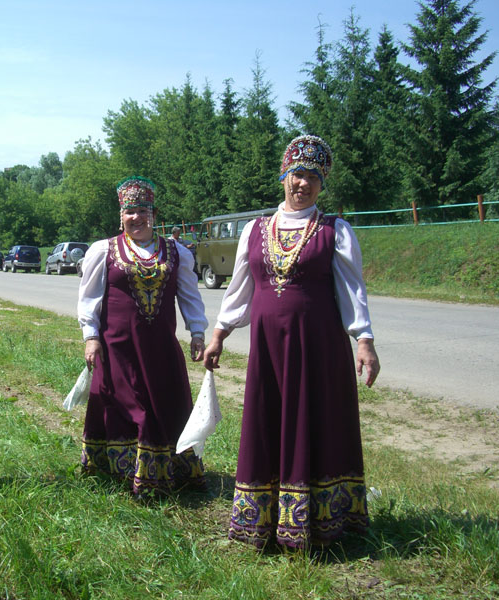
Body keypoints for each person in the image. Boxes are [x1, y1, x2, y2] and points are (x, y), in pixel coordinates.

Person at [203, 135, 380, 550]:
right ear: (284, 176)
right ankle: (264, 521)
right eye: (297, 174)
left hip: (319, 348)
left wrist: (364, 340)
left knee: (318, 423)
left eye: (313, 177)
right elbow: (239, 290)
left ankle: (322, 521)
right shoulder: (255, 230)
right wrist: (219, 334)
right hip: (269, 350)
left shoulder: (334, 231)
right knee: (268, 422)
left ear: (322, 185)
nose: (303, 184)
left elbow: (353, 291)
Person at [78, 176, 208, 497]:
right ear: (121, 215)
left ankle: (165, 468)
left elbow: (189, 296)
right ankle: (122, 470)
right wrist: (91, 336)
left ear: (154, 214)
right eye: (129, 211)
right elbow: (90, 297)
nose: (136, 217)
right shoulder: (104, 251)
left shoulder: (176, 253)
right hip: (117, 347)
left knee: (163, 403)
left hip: (160, 349)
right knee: (125, 403)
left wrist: (197, 331)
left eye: (142, 210)